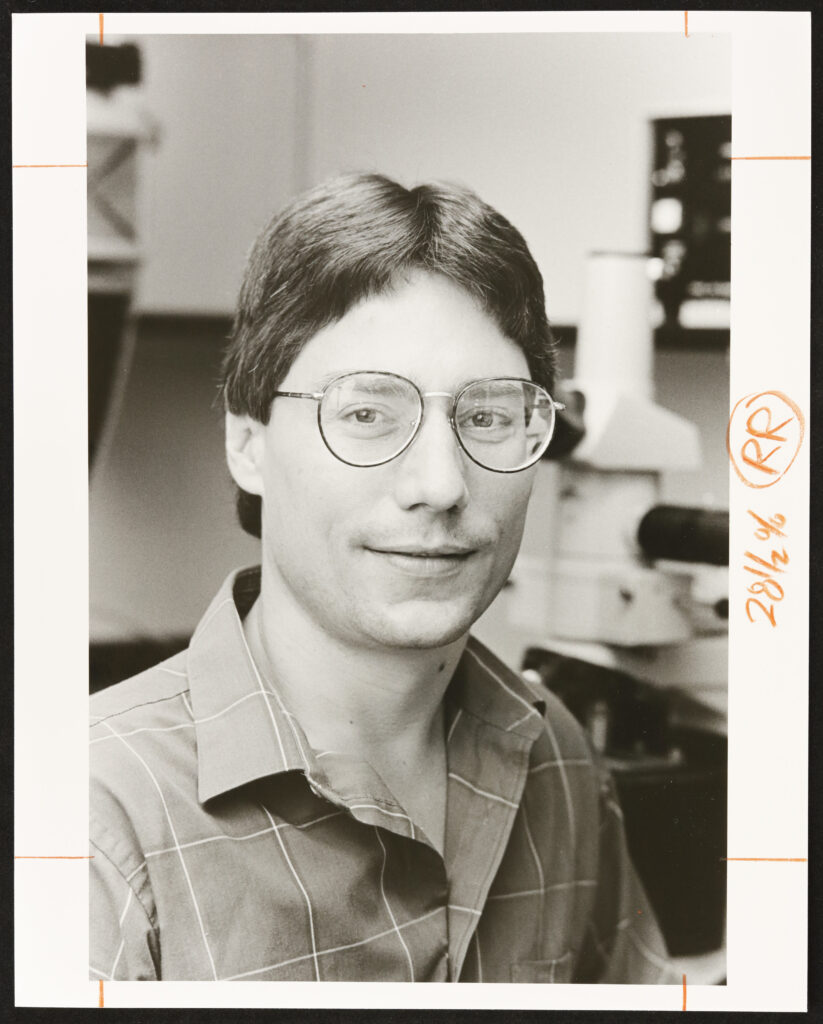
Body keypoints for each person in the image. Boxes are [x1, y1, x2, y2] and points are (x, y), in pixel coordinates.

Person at [89, 173, 677, 983]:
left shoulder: (556, 759)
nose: (439, 485)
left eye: (488, 416)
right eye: (366, 414)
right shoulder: (93, 822)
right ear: (248, 444)